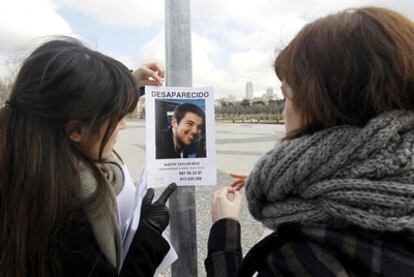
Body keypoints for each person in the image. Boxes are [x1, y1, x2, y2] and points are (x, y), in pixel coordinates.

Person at [206, 7, 414, 277]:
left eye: (288, 96)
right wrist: (305, 184)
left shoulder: (306, 259)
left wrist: (224, 228)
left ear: (322, 107)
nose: (284, 111)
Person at [0, 37, 176, 277]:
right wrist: (146, 237)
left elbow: (63, 93)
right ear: (75, 131)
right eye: (116, 117)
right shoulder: (66, 215)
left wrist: (128, 83)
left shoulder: (23, 157)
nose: (122, 126)